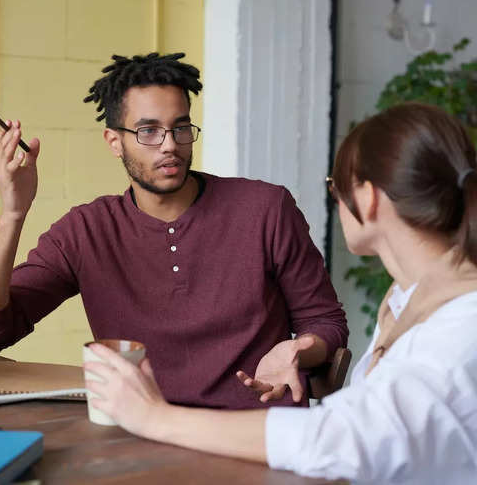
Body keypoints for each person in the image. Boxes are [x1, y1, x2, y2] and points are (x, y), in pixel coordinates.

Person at [83, 102, 477, 484]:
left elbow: (343, 438)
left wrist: (153, 417)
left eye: (334, 187)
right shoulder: (408, 299)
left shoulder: (458, 324)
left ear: (369, 198)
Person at [0, 52, 348, 409]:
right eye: (148, 131)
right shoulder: (86, 230)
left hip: (254, 434)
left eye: (180, 128)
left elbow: (326, 322)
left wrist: (296, 351)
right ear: (114, 141)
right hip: (142, 434)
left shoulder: (265, 208)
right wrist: (13, 214)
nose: (169, 146)